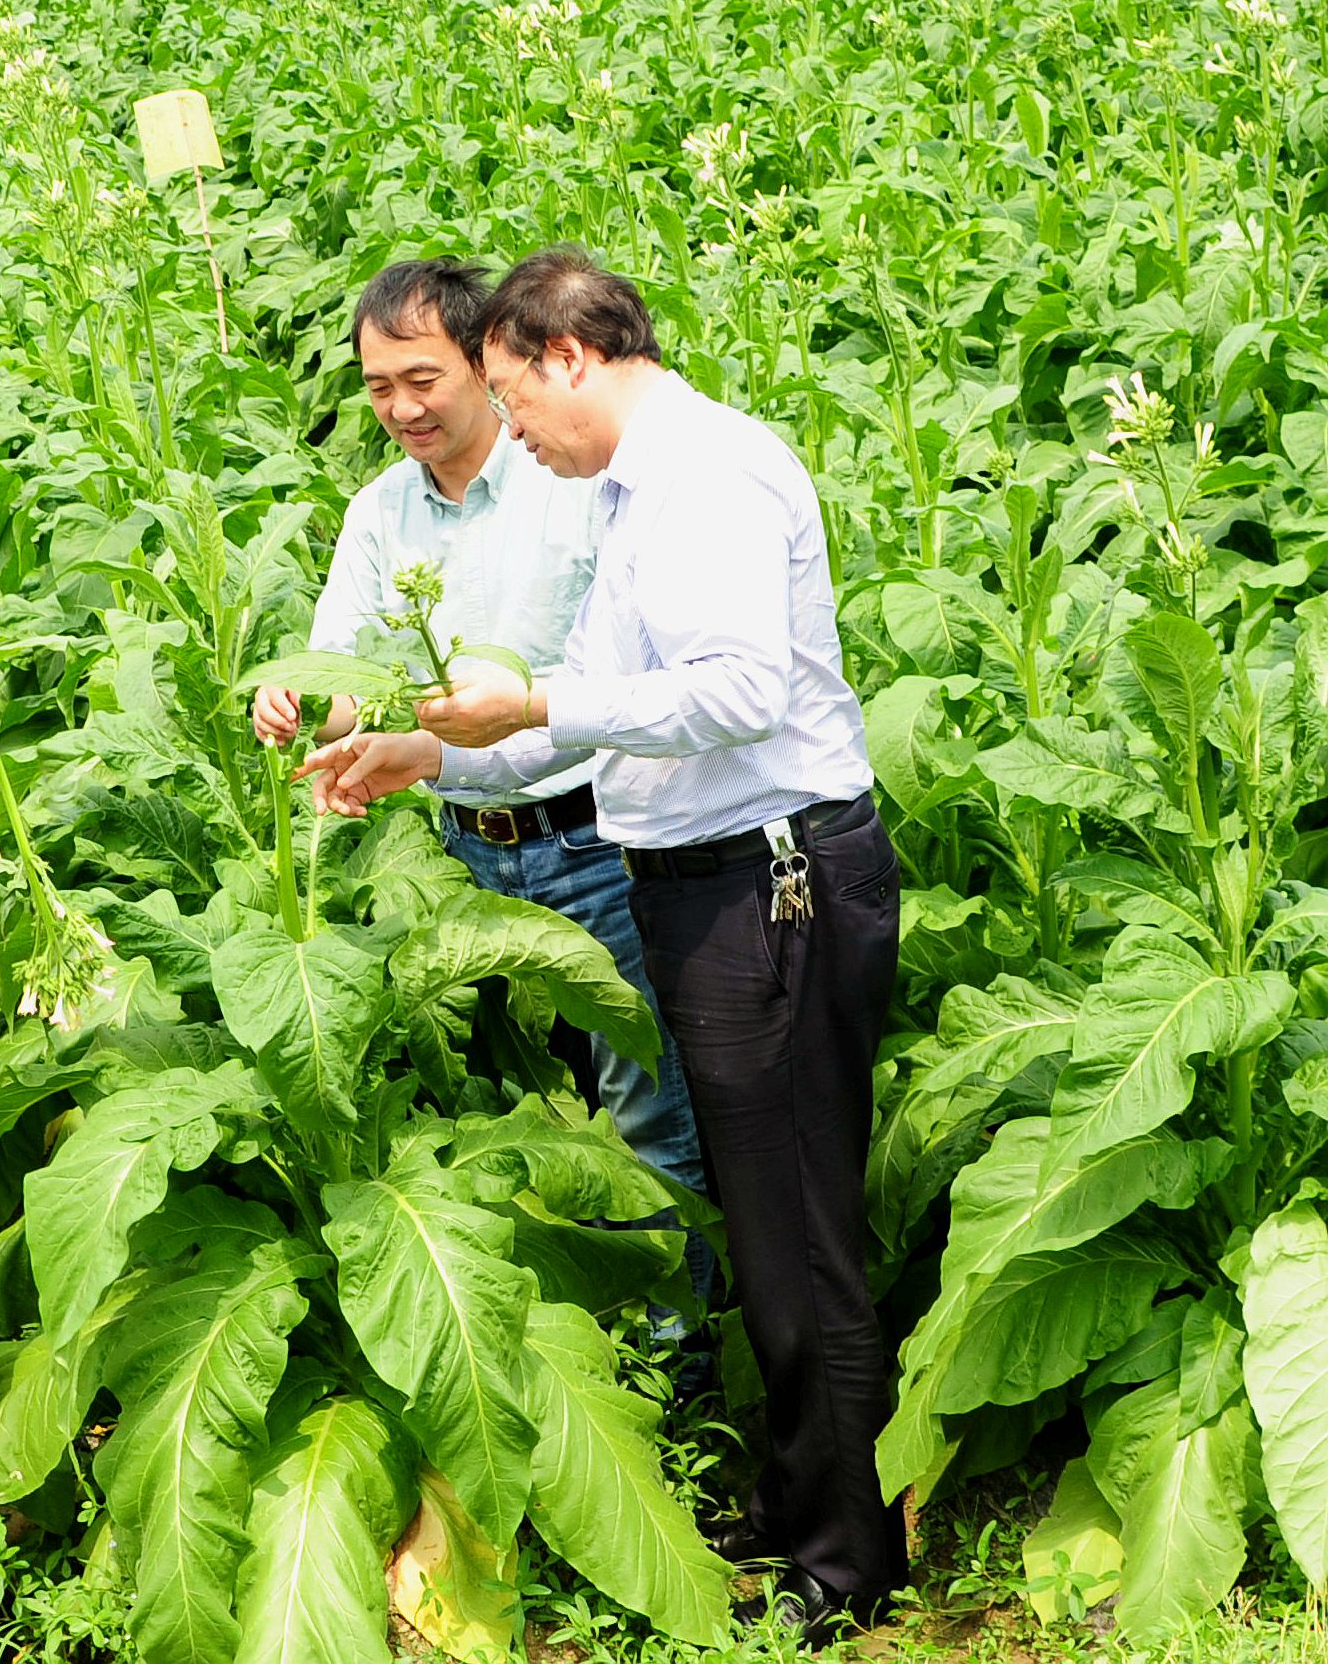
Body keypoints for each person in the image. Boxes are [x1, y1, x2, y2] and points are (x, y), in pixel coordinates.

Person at [298, 249, 906, 1644]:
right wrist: (433, 750)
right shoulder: (637, 486)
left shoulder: (705, 476)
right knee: (761, 1217)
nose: (511, 430)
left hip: (771, 881)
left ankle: (845, 1561)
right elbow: (611, 697)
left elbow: (738, 692)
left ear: (567, 357)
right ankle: (798, 1498)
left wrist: (534, 704)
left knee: (799, 1228)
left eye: (512, 396)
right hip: (709, 883)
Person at [254, 258, 711, 1319]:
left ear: (483, 362)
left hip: (595, 842)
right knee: (508, 1113)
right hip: (459, 854)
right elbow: (347, 680)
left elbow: (623, 680)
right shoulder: (379, 514)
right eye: (378, 388)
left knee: (645, 1113)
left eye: (423, 379)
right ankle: (561, 1330)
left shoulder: (571, 478)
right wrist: (300, 702)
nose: (401, 408)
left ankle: (677, 1354)